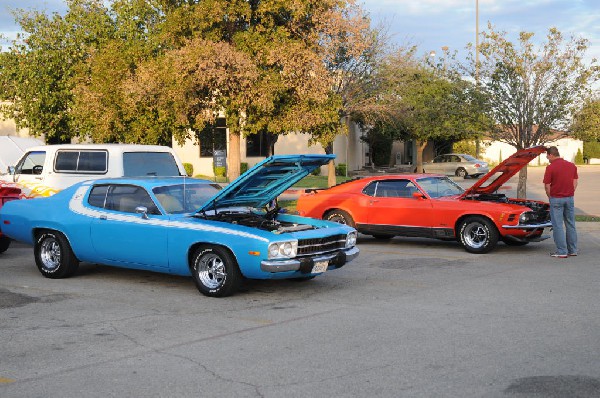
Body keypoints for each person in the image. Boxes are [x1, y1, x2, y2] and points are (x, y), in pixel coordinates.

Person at [543, 146, 578, 258]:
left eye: (547, 156)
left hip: (556, 198)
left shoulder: (550, 168)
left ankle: (562, 251)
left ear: (551, 155)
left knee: (558, 225)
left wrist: (550, 197)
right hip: (569, 198)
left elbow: (547, 186)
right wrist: (570, 193)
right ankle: (572, 250)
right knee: (570, 224)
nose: (547, 158)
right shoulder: (572, 166)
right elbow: (575, 182)